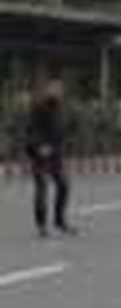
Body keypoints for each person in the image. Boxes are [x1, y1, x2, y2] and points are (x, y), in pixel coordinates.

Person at [25, 81, 76, 237]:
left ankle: (59, 221)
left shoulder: (59, 108)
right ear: (48, 91)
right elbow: (31, 129)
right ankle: (42, 226)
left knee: (64, 186)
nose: (58, 93)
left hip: (55, 155)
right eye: (54, 90)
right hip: (40, 154)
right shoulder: (39, 107)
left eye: (60, 90)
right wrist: (39, 147)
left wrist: (63, 142)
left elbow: (59, 129)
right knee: (42, 189)